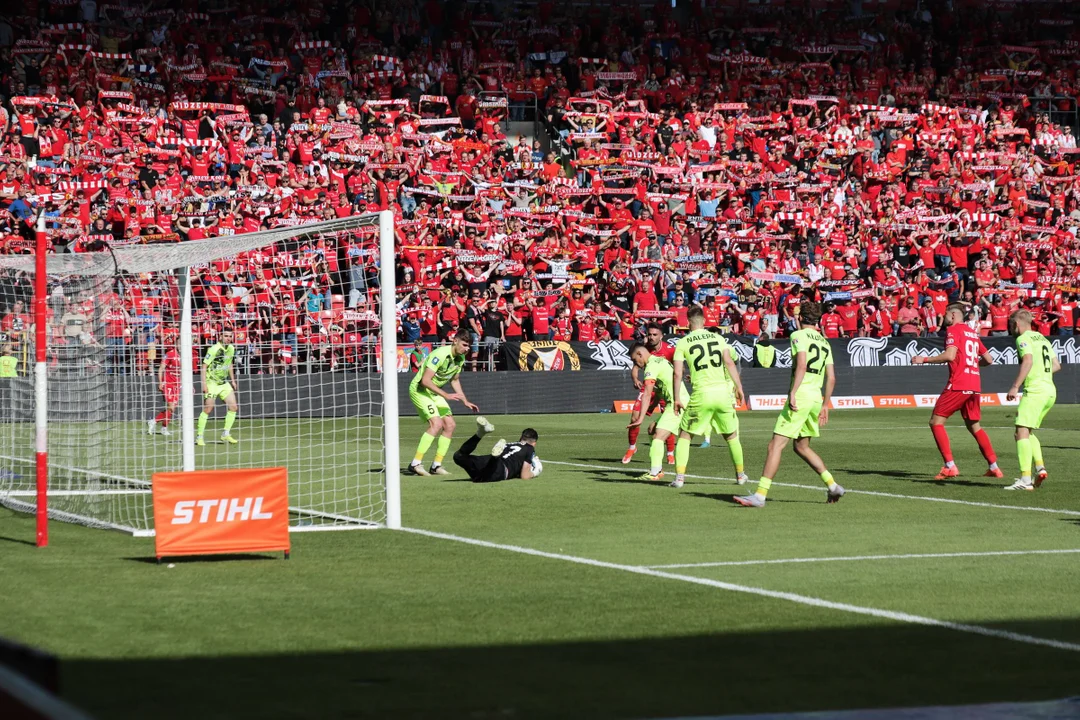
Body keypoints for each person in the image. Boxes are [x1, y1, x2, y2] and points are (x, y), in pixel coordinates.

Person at [735, 302, 845, 507]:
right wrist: (825, 404)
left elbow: (802, 364)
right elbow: (831, 378)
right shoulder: (824, 342)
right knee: (801, 446)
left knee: (775, 445)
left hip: (801, 395)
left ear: (801, 318)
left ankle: (760, 495)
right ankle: (833, 486)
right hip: (815, 397)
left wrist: (793, 392)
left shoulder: (798, 336)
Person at [912, 303, 1001, 479]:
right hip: (974, 385)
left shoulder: (953, 330)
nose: (944, 318)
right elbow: (989, 359)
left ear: (953, 316)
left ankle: (950, 466)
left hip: (959, 383)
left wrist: (924, 359)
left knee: (936, 422)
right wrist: (972, 365)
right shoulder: (972, 333)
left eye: (945, 315)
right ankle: (994, 467)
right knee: (974, 426)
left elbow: (950, 355)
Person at [671, 305, 747, 489]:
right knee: (731, 436)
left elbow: (677, 374)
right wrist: (739, 387)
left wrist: (676, 398)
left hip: (701, 394)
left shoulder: (683, 343)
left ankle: (680, 478)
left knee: (685, 435)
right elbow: (729, 362)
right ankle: (740, 475)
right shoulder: (718, 338)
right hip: (722, 394)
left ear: (688, 322)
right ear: (704, 321)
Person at [408, 328, 479, 476]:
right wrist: (446, 395)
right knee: (436, 424)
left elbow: (455, 380)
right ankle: (415, 463)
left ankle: (436, 466)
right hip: (420, 390)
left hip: (435, 392)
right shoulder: (440, 354)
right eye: (464, 345)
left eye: (468, 347)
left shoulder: (460, 358)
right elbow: (425, 380)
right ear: (455, 341)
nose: (466, 349)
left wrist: (464, 400)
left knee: (450, 425)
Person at [1004, 310, 1060, 491]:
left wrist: (1015, 386)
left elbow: (1027, 361)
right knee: (1026, 432)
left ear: (1017, 325)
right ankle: (1040, 468)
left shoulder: (1023, 338)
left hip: (1035, 391)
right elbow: (1057, 365)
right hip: (1049, 391)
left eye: (1011, 325)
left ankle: (1025, 480)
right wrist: (1042, 374)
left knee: (1021, 433)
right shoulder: (1042, 338)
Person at [627, 343, 688, 482]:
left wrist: (640, 419)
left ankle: (654, 472)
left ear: (640, 354)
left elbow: (647, 394)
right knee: (652, 429)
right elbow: (660, 392)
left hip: (677, 405)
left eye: (635, 360)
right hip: (675, 403)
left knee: (658, 436)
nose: (637, 364)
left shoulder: (651, 366)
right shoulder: (659, 360)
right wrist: (650, 408)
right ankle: (657, 469)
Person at [624, 323, 676, 464]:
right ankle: (632, 447)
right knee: (634, 418)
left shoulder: (670, 350)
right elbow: (635, 368)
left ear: (661, 336)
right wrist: (635, 379)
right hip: (649, 387)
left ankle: (670, 453)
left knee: (667, 422)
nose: (651, 337)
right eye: (649, 334)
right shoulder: (644, 350)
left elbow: (678, 368)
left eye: (655, 334)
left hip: (665, 390)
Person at [453, 417, 541, 482]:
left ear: (521, 437)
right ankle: (495, 458)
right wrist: (536, 471)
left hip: (484, 461)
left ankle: (480, 433)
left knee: (458, 456)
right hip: (500, 469)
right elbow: (524, 476)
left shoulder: (509, 444)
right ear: (534, 443)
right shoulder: (529, 449)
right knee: (483, 478)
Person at [197, 329, 240, 446]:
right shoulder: (214, 349)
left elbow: (229, 364)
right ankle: (199, 436)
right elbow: (204, 366)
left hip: (223, 383)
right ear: (220, 336)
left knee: (233, 407)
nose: (228, 338)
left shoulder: (231, 348)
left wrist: (233, 381)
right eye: (226, 336)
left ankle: (226, 434)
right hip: (212, 383)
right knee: (208, 409)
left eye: (230, 336)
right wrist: (204, 384)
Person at [148, 337, 180, 436]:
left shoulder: (186, 356)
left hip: (178, 385)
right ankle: (155, 422)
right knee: (171, 407)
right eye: (179, 343)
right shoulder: (169, 354)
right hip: (168, 383)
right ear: (176, 344)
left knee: (172, 408)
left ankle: (163, 427)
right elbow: (161, 369)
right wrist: (160, 382)